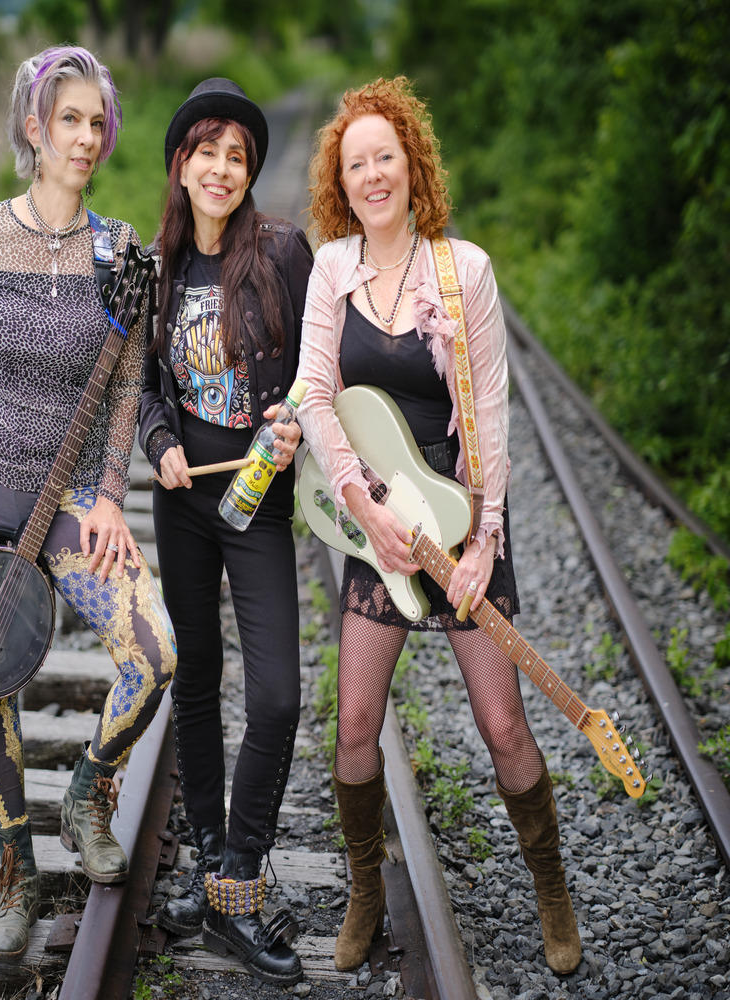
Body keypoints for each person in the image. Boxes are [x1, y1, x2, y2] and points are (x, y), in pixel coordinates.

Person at [0, 46, 177, 962]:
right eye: (69, 121)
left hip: (75, 497)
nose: (86, 138)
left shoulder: (119, 249)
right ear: (34, 128)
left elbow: (126, 386)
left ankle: (87, 794)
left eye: (97, 123)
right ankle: (19, 866)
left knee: (155, 654)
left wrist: (108, 496)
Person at [296, 77, 582, 976]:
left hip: (457, 518)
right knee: (354, 721)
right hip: (378, 518)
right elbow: (313, 395)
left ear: (412, 166)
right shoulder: (332, 270)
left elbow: (489, 412)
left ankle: (551, 890)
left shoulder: (466, 271)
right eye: (356, 164)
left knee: (503, 725)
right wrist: (362, 506)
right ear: (340, 184)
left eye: (386, 157)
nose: (373, 175)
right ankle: (365, 893)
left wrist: (485, 541)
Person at [138, 78, 313, 986]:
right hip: (182, 502)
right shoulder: (158, 265)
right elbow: (143, 388)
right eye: (205, 151)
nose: (219, 168)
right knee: (197, 681)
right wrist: (160, 442)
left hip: (256, 501)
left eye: (235, 155)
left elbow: (319, 369)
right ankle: (218, 877)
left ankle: (239, 876)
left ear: (248, 172)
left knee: (277, 695)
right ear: (181, 165)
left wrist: (293, 420)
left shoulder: (282, 252)